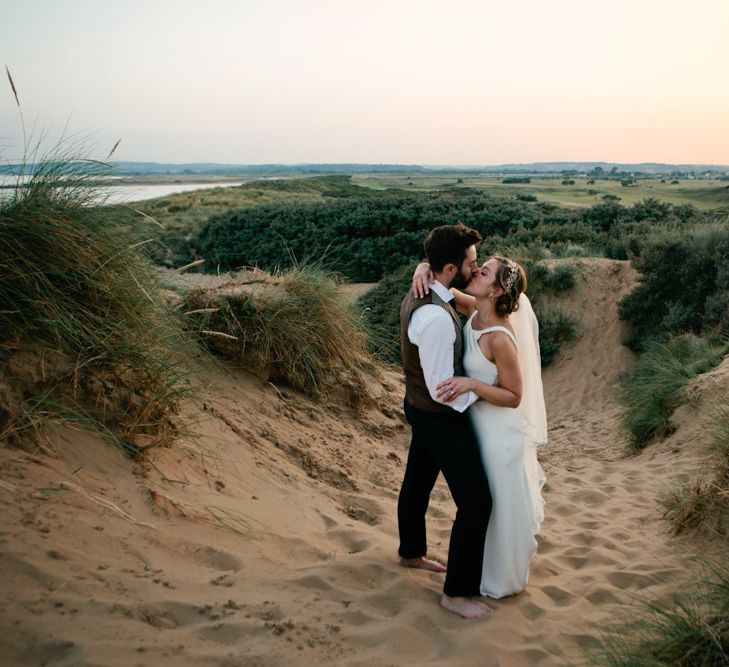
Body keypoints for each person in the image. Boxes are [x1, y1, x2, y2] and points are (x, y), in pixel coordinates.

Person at [413, 256, 547, 598]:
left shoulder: (500, 337)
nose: (475, 271)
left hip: (500, 434)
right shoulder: (476, 308)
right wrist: (423, 268)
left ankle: (496, 579)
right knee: (483, 504)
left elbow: (514, 396)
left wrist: (471, 385)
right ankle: (472, 570)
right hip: (479, 428)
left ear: (498, 290)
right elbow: (444, 286)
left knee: (496, 506)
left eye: (484, 272)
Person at [398, 223, 494, 619]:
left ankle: (411, 552)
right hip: (439, 415)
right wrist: (485, 394)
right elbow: (442, 389)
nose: (476, 269)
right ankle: (456, 593)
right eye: (472, 263)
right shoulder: (436, 319)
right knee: (476, 502)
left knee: (418, 482)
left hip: (418, 405)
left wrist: (423, 265)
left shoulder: (425, 287)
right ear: (451, 268)